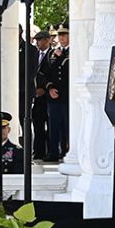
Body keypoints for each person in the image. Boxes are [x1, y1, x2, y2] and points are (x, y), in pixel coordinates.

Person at [39, 25, 70, 161]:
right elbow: (43, 73)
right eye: (60, 35)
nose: (61, 38)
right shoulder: (52, 54)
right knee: (53, 126)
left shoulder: (72, 52)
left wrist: (62, 56)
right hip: (54, 96)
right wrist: (49, 87)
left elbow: (71, 68)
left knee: (67, 126)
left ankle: (67, 151)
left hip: (68, 96)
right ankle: (53, 153)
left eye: (64, 35)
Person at [28, 29, 52, 160]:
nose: (38, 43)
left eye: (40, 40)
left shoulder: (52, 54)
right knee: (37, 125)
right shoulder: (35, 54)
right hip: (36, 95)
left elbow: (50, 73)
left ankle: (50, 150)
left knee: (50, 125)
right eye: (36, 40)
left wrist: (45, 88)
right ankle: (38, 151)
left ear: (47, 41)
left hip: (47, 94)